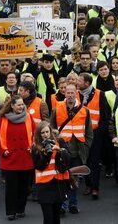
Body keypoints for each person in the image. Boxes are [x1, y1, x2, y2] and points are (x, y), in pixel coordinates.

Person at [51, 84, 93, 214]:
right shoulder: (56, 109)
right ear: (64, 94)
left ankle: (73, 204)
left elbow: (89, 133)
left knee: (74, 178)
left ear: (77, 93)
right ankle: (63, 205)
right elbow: (51, 130)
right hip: (62, 150)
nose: (69, 95)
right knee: (62, 178)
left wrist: (86, 148)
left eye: (72, 93)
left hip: (78, 150)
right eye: (67, 93)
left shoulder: (85, 110)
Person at [0, 96, 35, 220]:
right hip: (10, 158)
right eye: (18, 105)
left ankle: (20, 209)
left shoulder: (28, 117)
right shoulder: (3, 118)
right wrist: (3, 151)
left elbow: (35, 134)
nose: (21, 107)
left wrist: (32, 147)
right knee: (11, 188)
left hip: (25, 158)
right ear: (12, 105)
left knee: (23, 187)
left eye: (22, 104)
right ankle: (10, 211)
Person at [32, 121, 71, 224]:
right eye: (42, 133)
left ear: (50, 131)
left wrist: (60, 151)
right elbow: (38, 166)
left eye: (47, 132)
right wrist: (46, 155)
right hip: (44, 185)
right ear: (38, 135)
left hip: (58, 183)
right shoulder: (35, 147)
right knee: (48, 218)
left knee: (56, 217)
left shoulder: (60, 141)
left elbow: (68, 160)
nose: (45, 135)